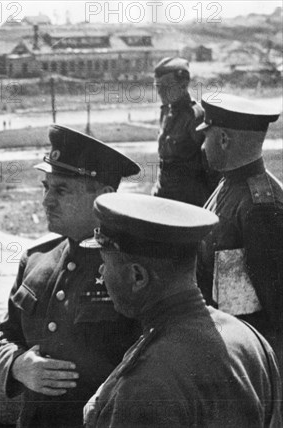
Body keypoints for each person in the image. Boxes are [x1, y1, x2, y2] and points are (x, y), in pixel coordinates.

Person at [84, 193, 282, 427]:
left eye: (105, 263)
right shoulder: (250, 341)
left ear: (138, 276)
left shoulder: (143, 387)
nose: (101, 273)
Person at [0, 125, 142, 427]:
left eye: (61, 190)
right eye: (45, 187)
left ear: (105, 197)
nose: (46, 200)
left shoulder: (132, 269)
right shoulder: (35, 260)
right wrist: (17, 365)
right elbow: (5, 335)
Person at [196, 93, 283, 374]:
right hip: (229, 347)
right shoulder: (230, 184)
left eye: (205, 136)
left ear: (223, 138)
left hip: (249, 359)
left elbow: (276, 305)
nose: (202, 144)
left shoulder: (260, 206)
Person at [151, 57, 218, 206]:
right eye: (158, 86)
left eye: (166, 86)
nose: (160, 91)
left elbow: (212, 167)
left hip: (188, 199)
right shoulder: (166, 112)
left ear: (183, 85)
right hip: (163, 193)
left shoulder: (196, 117)